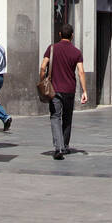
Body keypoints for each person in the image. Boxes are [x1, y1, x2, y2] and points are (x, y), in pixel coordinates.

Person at [41, 24, 86, 160]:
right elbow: (81, 72)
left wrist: (42, 81)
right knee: (67, 118)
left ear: (60, 34)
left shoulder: (52, 48)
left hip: (54, 90)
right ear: (72, 35)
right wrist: (84, 91)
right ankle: (65, 146)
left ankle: (58, 147)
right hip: (69, 89)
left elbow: (43, 67)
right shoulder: (77, 52)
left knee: (55, 117)